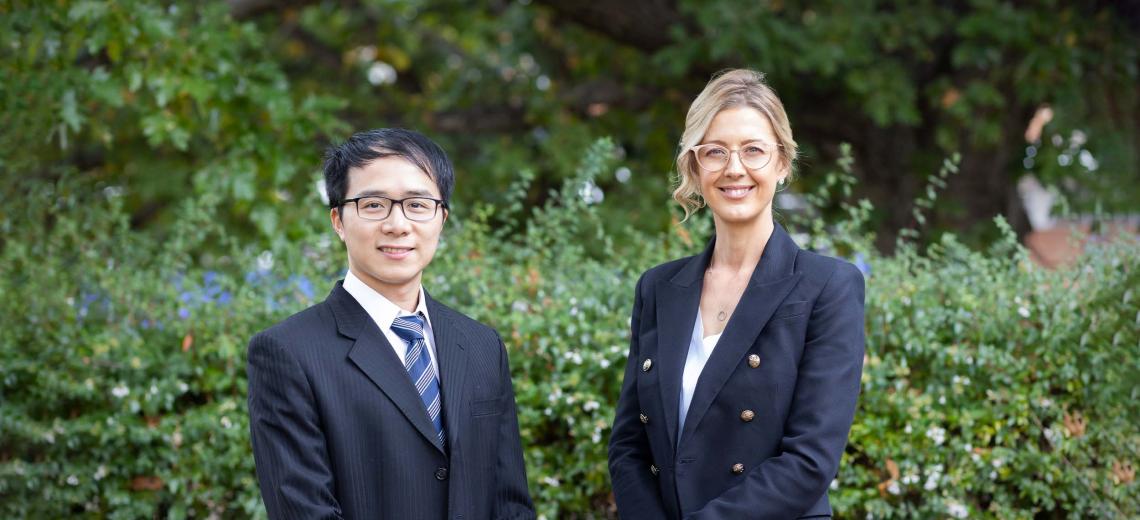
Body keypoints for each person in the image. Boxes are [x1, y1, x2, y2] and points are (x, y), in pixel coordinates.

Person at [608, 69, 866, 519]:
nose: (734, 168)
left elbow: (810, 462)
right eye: (715, 152)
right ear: (694, 166)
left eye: (753, 150)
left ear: (782, 163)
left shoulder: (828, 287)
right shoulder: (658, 288)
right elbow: (629, 446)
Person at [247, 128, 535, 519]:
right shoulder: (289, 352)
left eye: (417, 205)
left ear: (441, 218)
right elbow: (304, 510)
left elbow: (510, 502)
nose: (398, 224)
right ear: (338, 220)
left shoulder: (482, 345)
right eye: (374, 204)